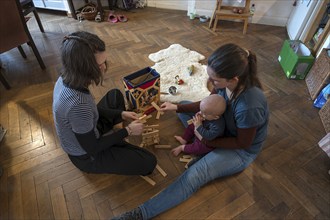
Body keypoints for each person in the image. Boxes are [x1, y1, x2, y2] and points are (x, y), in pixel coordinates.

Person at [113, 43, 269, 219]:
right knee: (187, 103)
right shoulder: (223, 83)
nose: (211, 83)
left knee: (195, 175)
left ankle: (141, 214)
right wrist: (176, 107)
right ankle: (204, 152)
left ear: (234, 79)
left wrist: (207, 140)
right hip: (220, 125)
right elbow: (206, 105)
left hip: (239, 150)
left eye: (215, 80)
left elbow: (243, 143)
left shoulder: (249, 106)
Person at [52, 31, 157, 175]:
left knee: (114, 95)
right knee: (149, 162)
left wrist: (121, 113)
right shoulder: (77, 104)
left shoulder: (65, 78)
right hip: (87, 156)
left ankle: (115, 135)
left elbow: (91, 110)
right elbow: (93, 148)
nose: (104, 68)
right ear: (83, 67)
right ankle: (116, 140)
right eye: (99, 64)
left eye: (104, 62)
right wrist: (128, 131)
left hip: (89, 130)